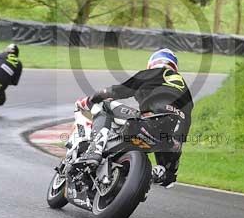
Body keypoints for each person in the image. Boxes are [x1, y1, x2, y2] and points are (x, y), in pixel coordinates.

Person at [74, 48, 193, 188]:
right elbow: (184, 126)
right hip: (168, 138)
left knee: (105, 106)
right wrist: (170, 171)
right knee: (168, 174)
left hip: (148, 121)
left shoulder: (154, 73)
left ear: (152, 64)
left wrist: (92, 99)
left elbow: (119, 90)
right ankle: (158, 173)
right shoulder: (186, 92)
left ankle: (94, 150)